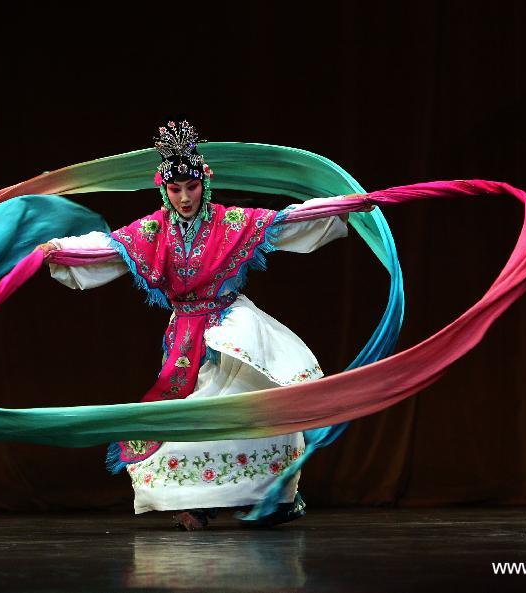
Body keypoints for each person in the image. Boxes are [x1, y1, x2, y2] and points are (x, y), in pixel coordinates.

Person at [37, 119, 373, 530]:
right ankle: (193, 502)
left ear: (205, 183)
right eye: (175, 189)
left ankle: (273, 496)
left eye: (191, 188)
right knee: (186, 416)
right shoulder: (152, 231)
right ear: (163, 188)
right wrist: (61, 249)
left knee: (258, 407)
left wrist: (344, 206)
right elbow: (108, 247)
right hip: (185, 337)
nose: (184, 198)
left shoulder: (231, 222)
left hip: (233, 326)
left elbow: (284, 222)